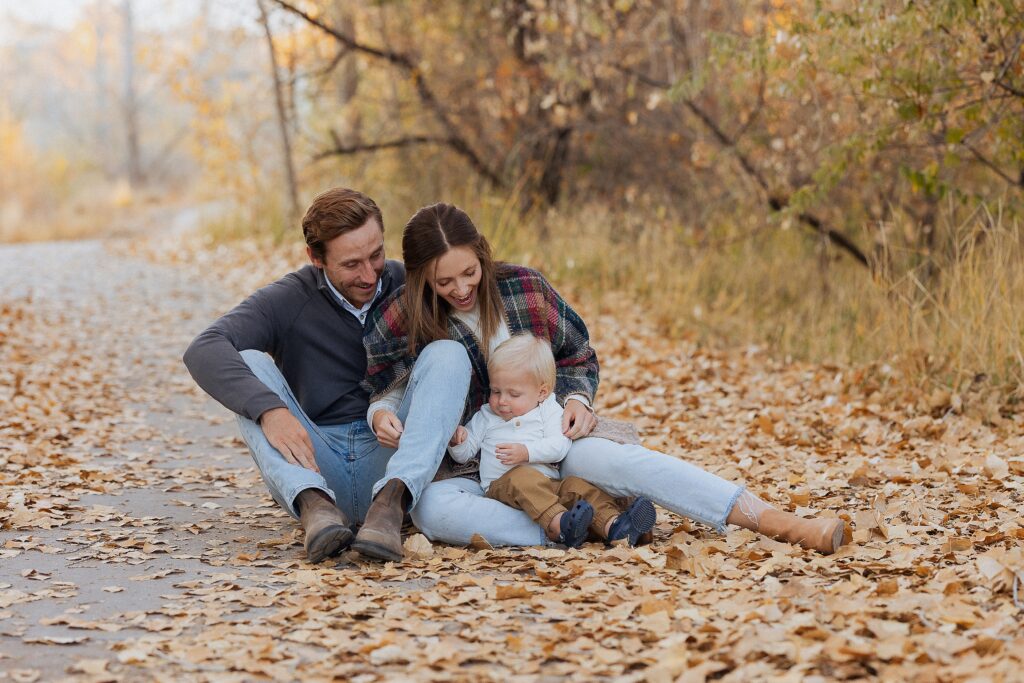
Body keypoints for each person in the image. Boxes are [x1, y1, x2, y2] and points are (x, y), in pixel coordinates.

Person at [362, 202, 847, 555]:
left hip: (552, 437)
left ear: (482, 256)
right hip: (479, 462)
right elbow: (389, 386)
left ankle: (773, 520)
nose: (462, 289)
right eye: (444, 283)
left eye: (469, 272)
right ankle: (586, 524)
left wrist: (577, 400)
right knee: (432, 512)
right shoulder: (404, 318)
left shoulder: (523, 289)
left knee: (627, 463)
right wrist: (382, 411)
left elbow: (577, 355)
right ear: (421, 278)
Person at [183, 187, 472, 563]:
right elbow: (203, 348)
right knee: (250, 363)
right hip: (313, 462)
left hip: (391, 455)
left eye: (376, 255)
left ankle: (389, 506)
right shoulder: (288, 299)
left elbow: (486, 319)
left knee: (449, 354)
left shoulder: (411, 284)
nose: (369, 275)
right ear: (315, 258)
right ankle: (314, 508)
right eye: (352, 264)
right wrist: (270, 411)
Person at [447, 333, 656, 548]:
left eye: (514, 394)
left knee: (578, 488)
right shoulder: (486, 416)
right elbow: (466, 453)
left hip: (549, 483)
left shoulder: (549, 410)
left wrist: (527, 452)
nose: (501, 401)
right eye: (495, 391)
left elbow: (559, 446)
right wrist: (458, 442)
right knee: (521, 476)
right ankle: (559, 527)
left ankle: (615, 526)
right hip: (502, 487)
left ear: (541, 392)